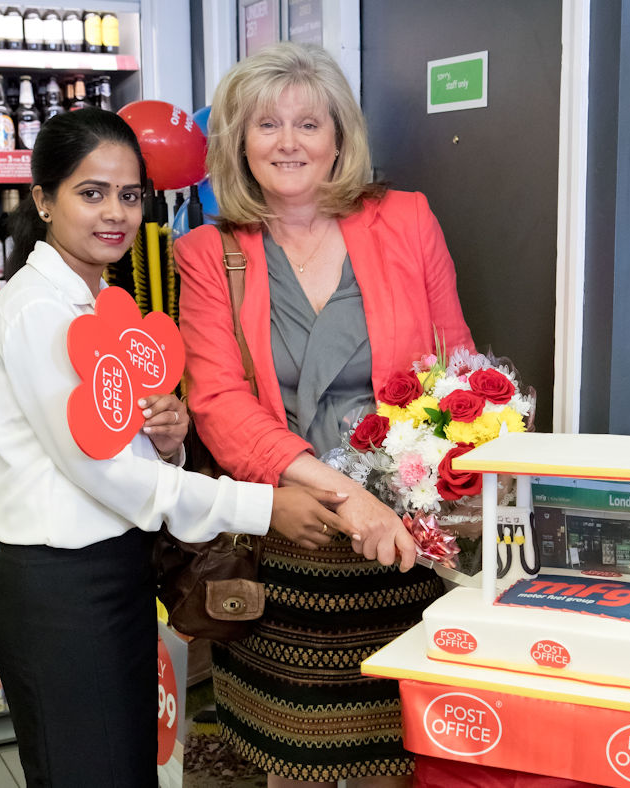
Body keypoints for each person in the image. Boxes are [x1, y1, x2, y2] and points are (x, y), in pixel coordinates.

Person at [0, 108, 356, 787]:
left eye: (129, 195)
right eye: (91, 193)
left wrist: (169, 439)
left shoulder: (97, 301)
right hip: (62, 590)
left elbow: (125, 460)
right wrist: (263, 506)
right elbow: (107, 478)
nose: (115, 214)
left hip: (114, 578)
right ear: (43, 200)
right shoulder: (39, 312)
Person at [175, 42, 474, 787]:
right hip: (288, 537)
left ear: (340, 136)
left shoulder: (407, 222)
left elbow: (456, 367)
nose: (289, 142)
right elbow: (217, 402)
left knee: (394, 753)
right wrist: (336, 498)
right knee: (295, 763)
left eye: (309, 123)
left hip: (400, 541)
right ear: (238, 142)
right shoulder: (210, 255)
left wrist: (416, 497)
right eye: (267, 124)